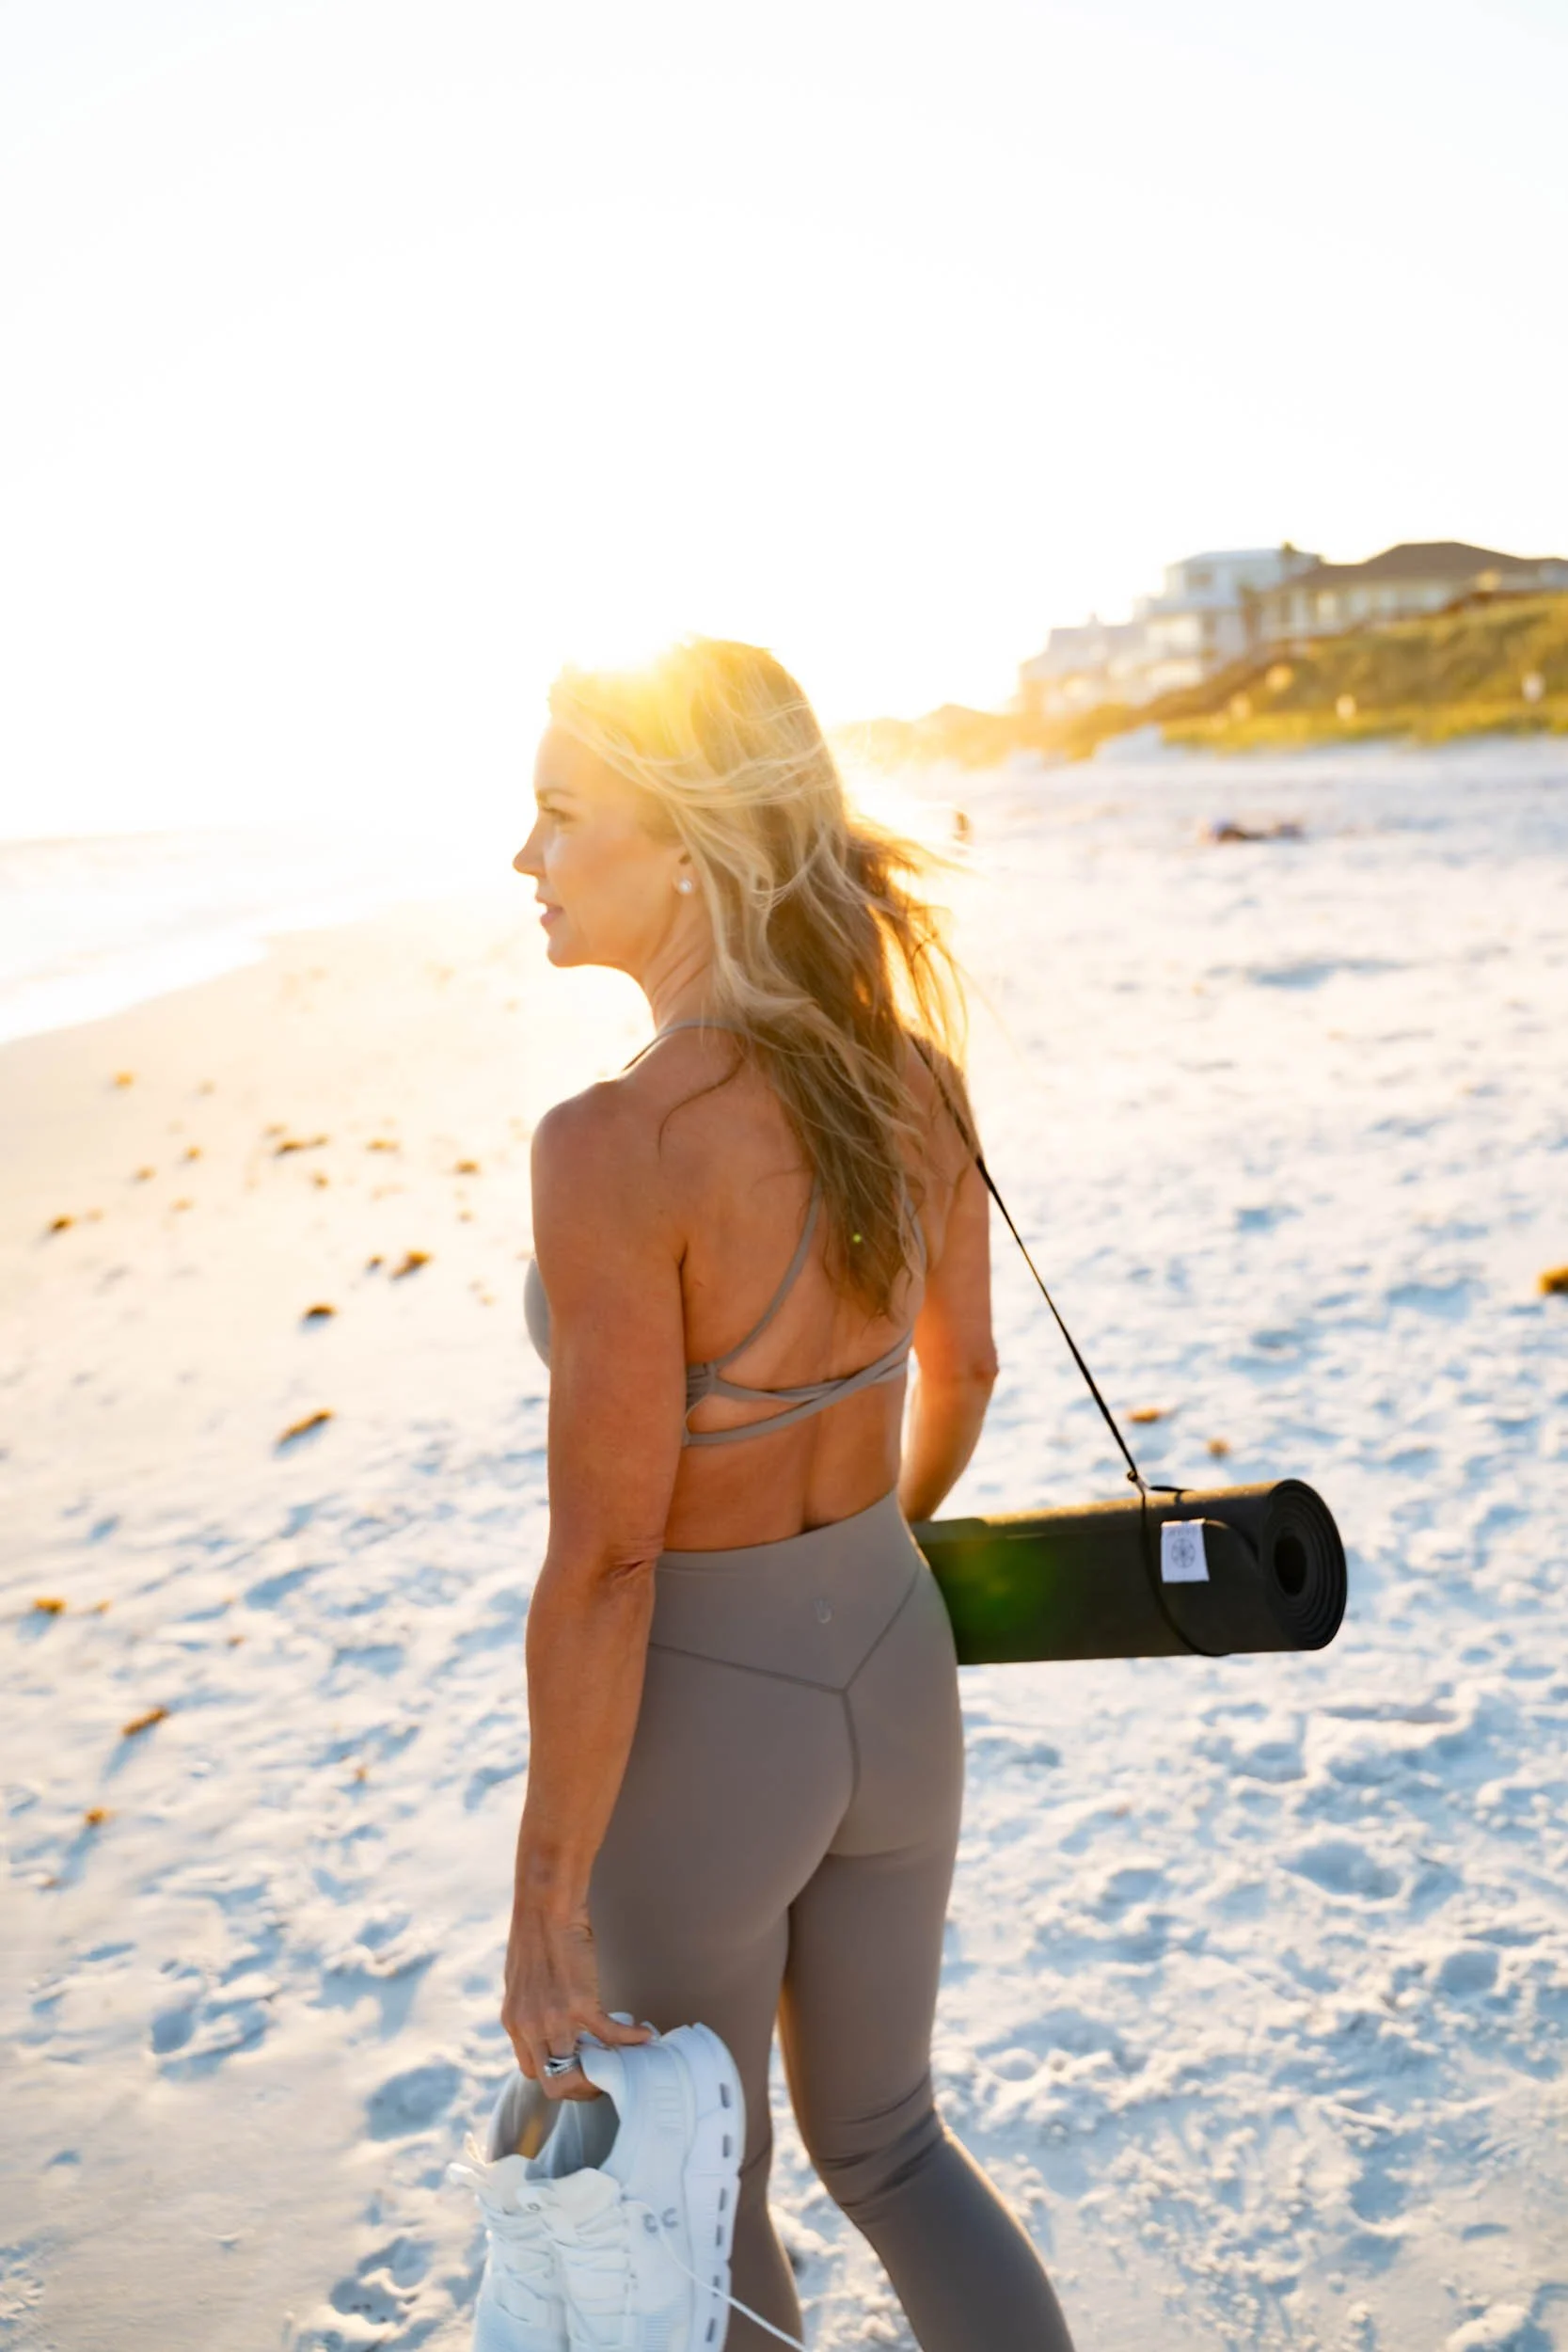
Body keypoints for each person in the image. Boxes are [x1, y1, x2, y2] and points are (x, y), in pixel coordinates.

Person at [503, 637, 1075, 2351]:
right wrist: (866, 1560)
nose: (524, 856)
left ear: (687, 842)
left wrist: (544, 1899)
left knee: (706, 2189)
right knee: (890, 2145)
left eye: (558, 814)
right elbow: (963, 1374)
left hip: (708, 1717)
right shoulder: (911, 1078)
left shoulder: (617, 1143)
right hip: (893, 1662)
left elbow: (610, 1560)